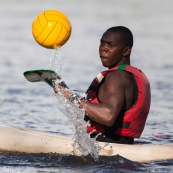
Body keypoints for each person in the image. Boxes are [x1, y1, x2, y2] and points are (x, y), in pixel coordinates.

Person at [57, 26, 151, 144]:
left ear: (126, 51)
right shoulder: (129, 75)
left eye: (110, 45)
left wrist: (72, 97)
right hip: (123, 144)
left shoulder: (116, 77)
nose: (103, 49)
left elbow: (108, 116)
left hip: (109, 148)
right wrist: (67, 92)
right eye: (102, 44)